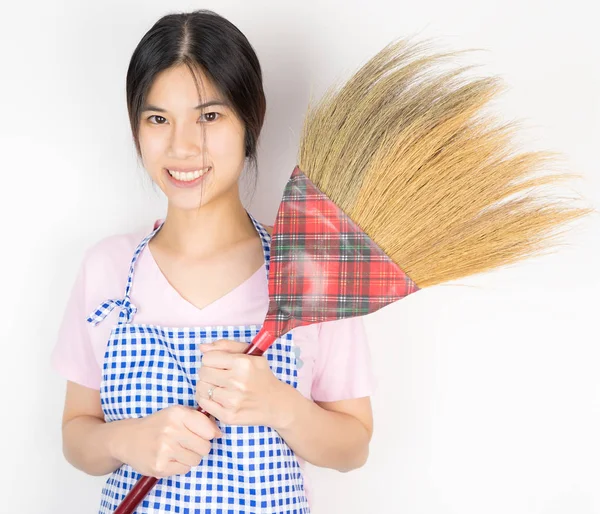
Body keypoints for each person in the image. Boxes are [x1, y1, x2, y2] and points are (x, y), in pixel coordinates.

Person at [51, 9, 375, 513]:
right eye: (158, 118)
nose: (182, 146)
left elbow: (353, 447)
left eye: (209, 116)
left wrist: (279, 404)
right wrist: (125, 442)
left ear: (250, 122)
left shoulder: (310, 267)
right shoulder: (108, 268)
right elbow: (76, 435)